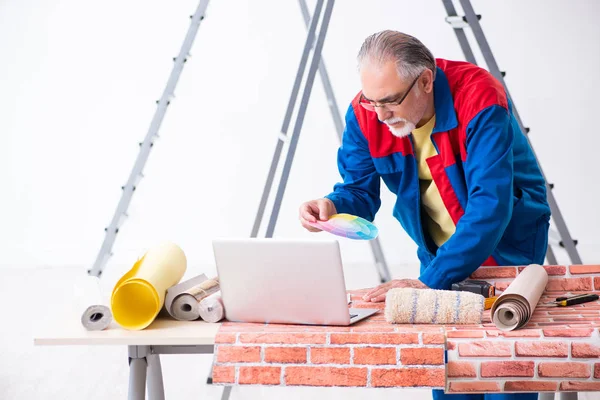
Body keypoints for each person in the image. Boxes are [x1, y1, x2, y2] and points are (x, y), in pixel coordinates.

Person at [298, 30, 550, 400]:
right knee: (449, 374)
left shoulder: (479, 96)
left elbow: (490, 206)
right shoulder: (366, 113)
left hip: (507, 247)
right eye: (371, 101)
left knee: (502, 372)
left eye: (390, 102)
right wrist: (332, 206)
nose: (381, 115)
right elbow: (359, 192)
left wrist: (427, 282)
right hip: (437, 253)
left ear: (426, 81)